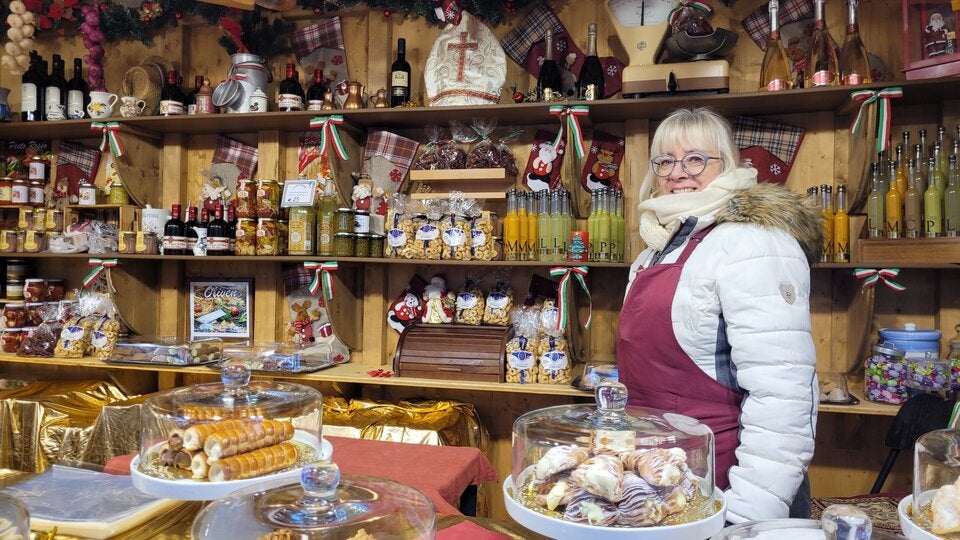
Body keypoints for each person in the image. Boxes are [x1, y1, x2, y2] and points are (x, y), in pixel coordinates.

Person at [617, 107, 821, 523]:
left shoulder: (753, 242)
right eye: (665, 161)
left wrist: (747, 514)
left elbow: (783, 396)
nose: (678, 173)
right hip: (663, 480)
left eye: (695, 159)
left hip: (724, 485)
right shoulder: (655, 250)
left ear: (727, 165)